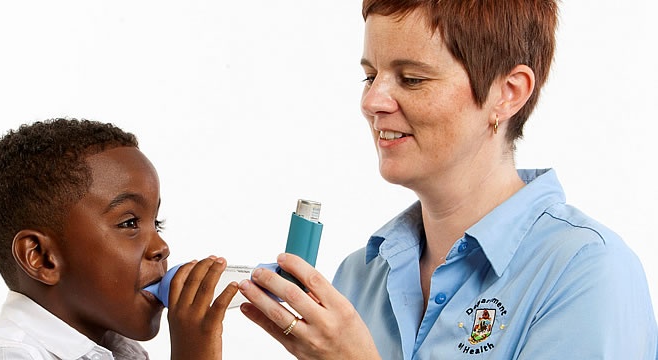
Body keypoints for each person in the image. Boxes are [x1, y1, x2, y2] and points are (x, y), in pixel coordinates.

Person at [237, 0, 658, 359]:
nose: (371, 102)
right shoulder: (358, 278)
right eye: (370, 76)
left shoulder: (587, 273)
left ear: (507, 92)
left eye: (412, 78)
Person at [0, 118, 238, 360]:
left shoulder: (121, 350)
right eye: (129, 223)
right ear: (42, 257)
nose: (161, 248)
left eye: (156, 223)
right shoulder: (11, 354)